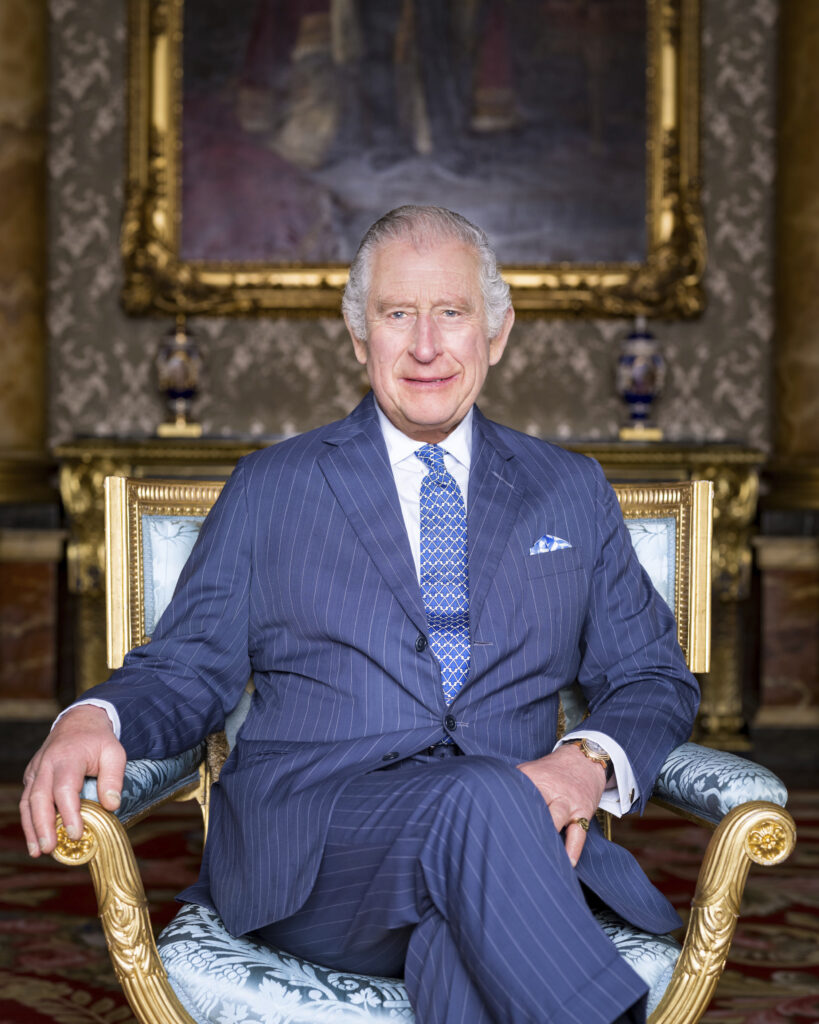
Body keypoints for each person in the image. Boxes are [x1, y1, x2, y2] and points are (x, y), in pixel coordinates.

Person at [21, 206, 698, 1023]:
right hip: (317, 853)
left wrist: (585, 761)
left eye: (451, 313)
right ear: (358, 336)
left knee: (456, 935)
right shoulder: (271, 487)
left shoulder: (570, 489)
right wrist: (91, 717)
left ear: (496, 331)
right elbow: (186, 667)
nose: (425, 346)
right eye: (397, 314)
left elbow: (650, 675)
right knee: (480, 798)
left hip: (513, 857)